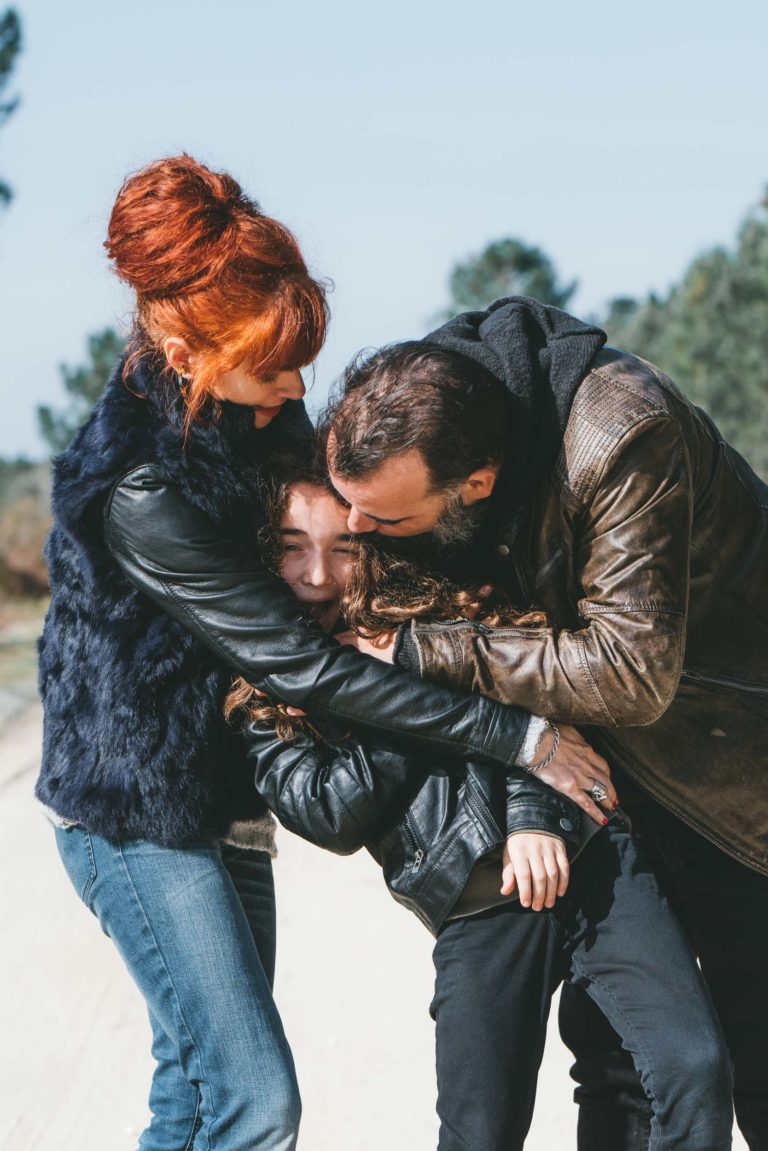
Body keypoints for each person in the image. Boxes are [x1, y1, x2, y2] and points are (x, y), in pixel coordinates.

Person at [36, 160, 606, 1151]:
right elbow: (301, 664)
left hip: (222, 803)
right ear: (186, 349)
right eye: (276, 367)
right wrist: (516, 734)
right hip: (136, 816)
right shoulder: (142, 489)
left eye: (305, 358)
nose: (300, 387)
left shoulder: (251, 413)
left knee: (194, 1093)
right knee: (255, 1099)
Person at [320, 295, 768, 1151]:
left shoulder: (620, 433)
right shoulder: (425, 414)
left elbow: (631, 671)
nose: (356, 531)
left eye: (382, 518)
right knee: (624, 1066)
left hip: (725, 768)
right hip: (607, 777)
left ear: (477, 485)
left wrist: (424, 650)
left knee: (752, 1053)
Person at [225, 461, 732, 1151]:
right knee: (479, 1136)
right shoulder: (260, 691)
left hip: (588, 851)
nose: (317, 573)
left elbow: (529, 687)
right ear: (260, 551)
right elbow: (331, 813)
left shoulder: (430, 601)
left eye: (342, 547)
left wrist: (531, 816)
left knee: (688, 1071)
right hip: (477, 902)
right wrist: (380, 690)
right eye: (291, 545)